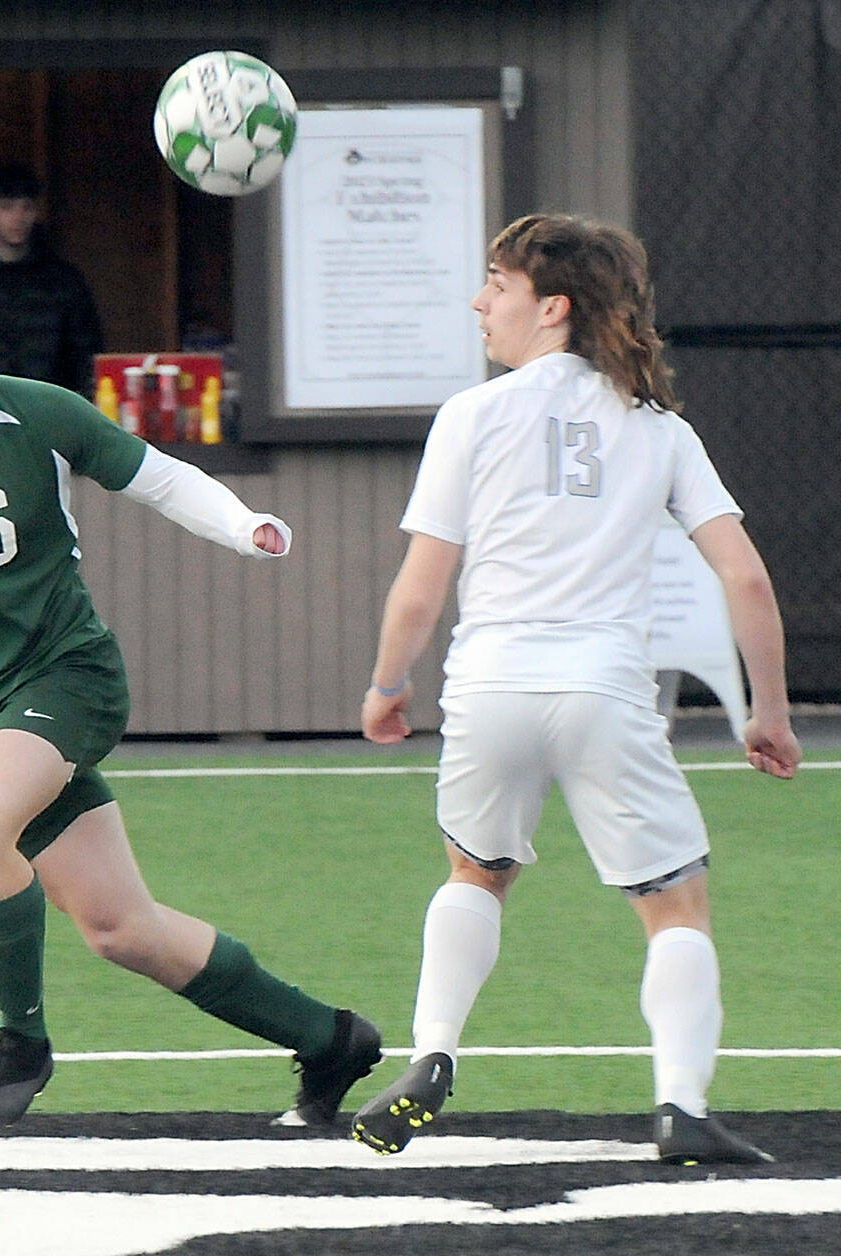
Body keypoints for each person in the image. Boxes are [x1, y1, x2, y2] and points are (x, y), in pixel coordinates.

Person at [0, 241, 381, 1128]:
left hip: (71, 673)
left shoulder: (35, 414)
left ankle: (20, 1046)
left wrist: (243, 524)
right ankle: (327, 1037)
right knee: (123, 930)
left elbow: (157, 478)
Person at [349, 214, 800, 1165]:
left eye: (495, 286)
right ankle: (679, 1107)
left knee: (476, 872)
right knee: (675, 906)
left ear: (551, 308)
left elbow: (421, 588)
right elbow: (748, 580)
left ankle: (431, 1057)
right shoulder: (659, 428)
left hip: (489, 685)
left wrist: (388, 686)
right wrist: (768, 712)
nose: (479, 302)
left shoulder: (471, 416)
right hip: (603, 688)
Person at [0, 163, 103, 396]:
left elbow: (86, 357)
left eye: (26, 207)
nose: (18, 217)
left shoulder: (64, 281)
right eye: (7, 207)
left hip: (52, 405)